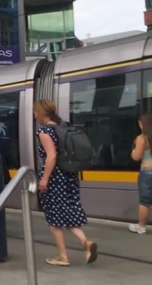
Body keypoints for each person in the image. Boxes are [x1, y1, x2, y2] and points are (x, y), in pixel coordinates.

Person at [34, 100, 97, 267]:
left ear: (41, 113)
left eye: (35, 112)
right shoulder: (62, 127)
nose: (34, 115)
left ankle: (63, 256)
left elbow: (51, 156)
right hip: (69, 175)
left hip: (55, 178)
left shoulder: (44, 130)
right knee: (67, 212)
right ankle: (86, 242)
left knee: (54, 219)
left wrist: (45, 178)